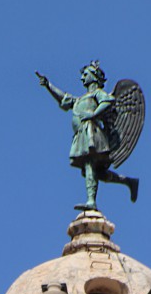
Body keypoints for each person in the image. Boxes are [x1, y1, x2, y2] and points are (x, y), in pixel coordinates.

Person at [37, 62, 138, 208]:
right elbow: (64, 98)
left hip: (92, 132)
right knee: (98, 172)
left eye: (85, 74)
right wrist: (48, 85)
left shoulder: (97, 93)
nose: (82, 78)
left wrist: (93, 114)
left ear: (94, 76)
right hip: (82, 133)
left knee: (89, 163)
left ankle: (91, 201)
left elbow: (108, 101)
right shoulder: (80, 99)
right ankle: (128, 181)